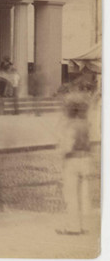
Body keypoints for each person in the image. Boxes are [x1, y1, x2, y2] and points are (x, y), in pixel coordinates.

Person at [57, 95, 93, 235]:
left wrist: (61, 149)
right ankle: (83, 225)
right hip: (86, 160)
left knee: (71, 195)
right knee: (83, 194)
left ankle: (73, 227)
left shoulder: (70, 125)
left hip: (72, 161)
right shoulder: (86, 124)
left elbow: (67, 146)